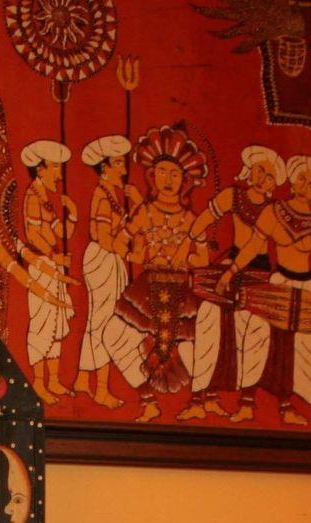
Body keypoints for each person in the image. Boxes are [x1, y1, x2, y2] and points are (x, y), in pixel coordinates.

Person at [229, 154, 311, 428]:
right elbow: (253, 246)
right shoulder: (273, 211)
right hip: (277, 284)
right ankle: (247, 404)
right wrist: (231, 271)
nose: (304, 185)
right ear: (292, 181)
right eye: (301, 178)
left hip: (306, 290)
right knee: (256, 334)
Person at [117, 123, 214, 423]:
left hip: (181, 290)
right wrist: (137, 253)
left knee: (193, 345)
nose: (168, 180)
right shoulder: (143, 212)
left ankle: (198, 401)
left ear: (184, 180)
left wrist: (186, 257)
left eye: (174, 174)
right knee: (116, 336)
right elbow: (120, 242)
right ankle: (148, 400)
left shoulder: (191, 219)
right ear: (152, 176)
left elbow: (203, 257)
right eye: (162, 172)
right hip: (147, 287)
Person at [191, 145, 282, 421]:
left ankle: (247, 402)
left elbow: (255, 246)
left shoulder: (274, 210)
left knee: (255, 329)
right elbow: (205, 219)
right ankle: (204, 396)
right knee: (209, 318)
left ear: (275, 184)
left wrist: (231, 272)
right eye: (260, 170)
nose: (263, 178)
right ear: (249, 170)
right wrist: (192, 240)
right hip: (231, 264)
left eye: (270, 175)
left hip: (258, 272)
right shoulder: (233, 196)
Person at [73, 134, 144, 408]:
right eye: (118, 164)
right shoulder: (102, 197)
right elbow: (103, 236)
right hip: (103, 259)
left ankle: (82, 379)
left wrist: (136, 203)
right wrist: (126, 252)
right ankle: (101, 388)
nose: (123, 170)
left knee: (99, 320)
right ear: (104, 167)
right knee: (104, 323)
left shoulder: (111, 194)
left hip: (109, 259)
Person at [18, 140, 74, 401]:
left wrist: (72, 214)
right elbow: (34, 235)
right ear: (40, 169)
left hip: (53, 264)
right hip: (41, 266)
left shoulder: (45, 198)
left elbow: (61, 233)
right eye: (55, 167)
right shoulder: (32, 196)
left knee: (56, 323)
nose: (59, 174)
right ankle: (39, 383)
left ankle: (53, 380)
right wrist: (53, 256)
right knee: (42, 324)